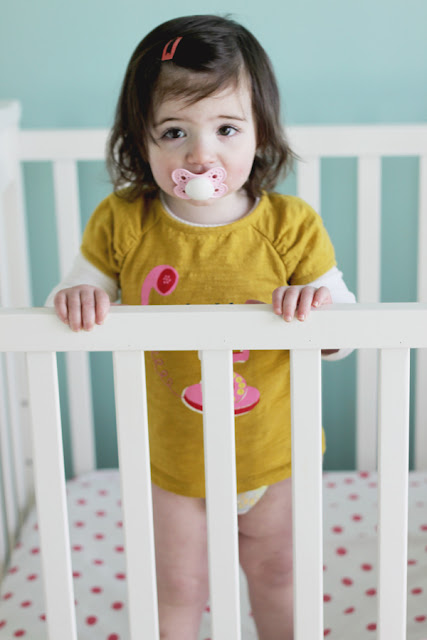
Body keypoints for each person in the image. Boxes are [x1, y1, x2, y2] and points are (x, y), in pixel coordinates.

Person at [47, 14, 355, 640]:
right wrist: (77, 296)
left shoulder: (290, 226)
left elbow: (345, 330)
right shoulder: (124, 221)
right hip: (171, 462)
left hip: (276, 456)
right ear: (140, 140)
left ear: (260, 132)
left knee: (279, 576)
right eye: (174, 131)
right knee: (178, 587)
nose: (200, 155)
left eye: (226, 128)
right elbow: (72, 293)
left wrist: (317, 312)